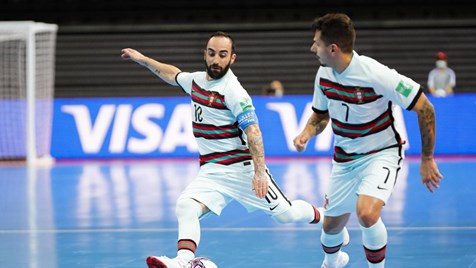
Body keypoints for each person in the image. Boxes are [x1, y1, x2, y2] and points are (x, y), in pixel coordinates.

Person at [121, 31, 347, 268]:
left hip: (242, 171)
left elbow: (254, 132)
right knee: (186, 205)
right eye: (211, 53)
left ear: (232, 58)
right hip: (212, 170)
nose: (216, 60)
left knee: (285, 214)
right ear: (205, 55)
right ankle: (184, 261)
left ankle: (328, 217)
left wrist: (260, 173)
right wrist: (142, 59)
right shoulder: (196, 81)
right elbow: (173, 74)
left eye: (222, 55)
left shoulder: (233, 92)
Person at [293, 13, 443, 268]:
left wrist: (427, 158)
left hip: (381, 152)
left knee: (366, 213)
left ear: (333, 48)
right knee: (330, 227)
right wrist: (307, 133)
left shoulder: (375, 74)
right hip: (344, 158)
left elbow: (425, 108)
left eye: (316, 43)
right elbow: (320, 115)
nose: (312, 48)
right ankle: (334, 261)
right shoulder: (324, 74)